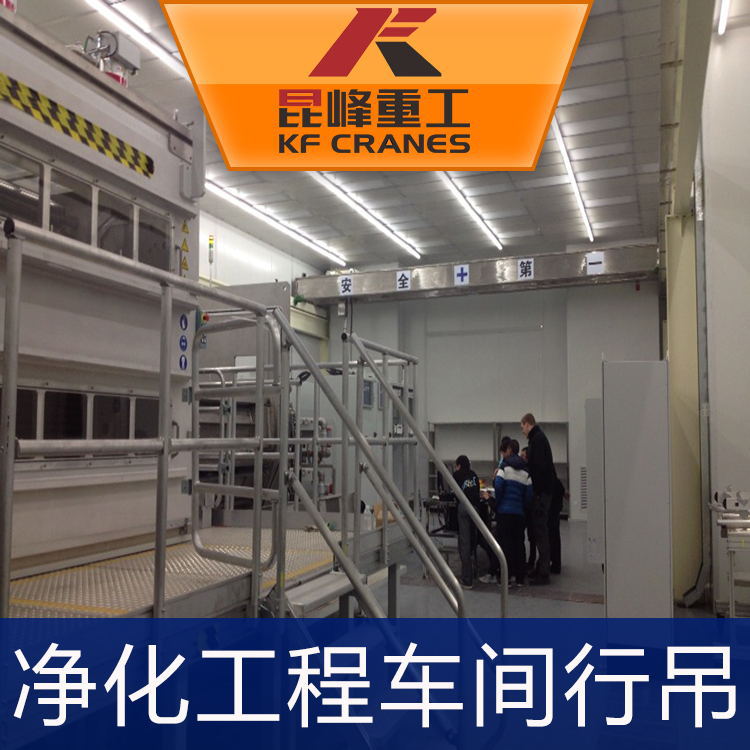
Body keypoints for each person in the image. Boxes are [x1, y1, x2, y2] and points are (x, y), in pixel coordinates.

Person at [521, 413, 556, 585]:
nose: (522, 430)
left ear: (528, 424)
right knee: (539, 531)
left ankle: (543, 573)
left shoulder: (537, 440)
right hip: (544, 491)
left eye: (522, 427)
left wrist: (536, 492)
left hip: (542, 493)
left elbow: (539, 468)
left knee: (541, 532)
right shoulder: (538, 438)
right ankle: (540, 567)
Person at [493, 439, 533, 588]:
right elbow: (529, 495)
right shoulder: (526, 472)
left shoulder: (504, 468)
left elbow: (498, 486)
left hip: (504, 512)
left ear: (509, 451)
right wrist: (522, 506)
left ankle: (506, 577)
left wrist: (498, 503)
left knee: (505, 545)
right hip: (519, 513)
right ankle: (520, 578)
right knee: (519, 544)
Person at [453, 454, 481, 589]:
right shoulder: (474, 475)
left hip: (464, 508)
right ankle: (475, 569)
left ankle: (467, 578)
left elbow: (454, 493)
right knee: (473, 538)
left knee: (464, 542)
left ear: (459, 465)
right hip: (475, 508)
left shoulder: (456, 475)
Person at [549, 476, 566, 574]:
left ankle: (552, 563)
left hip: (551, 513)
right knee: (555, 538)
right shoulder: (557, 482)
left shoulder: (550, 481)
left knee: (551, 538)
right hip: (555, 512)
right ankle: (556, 563)